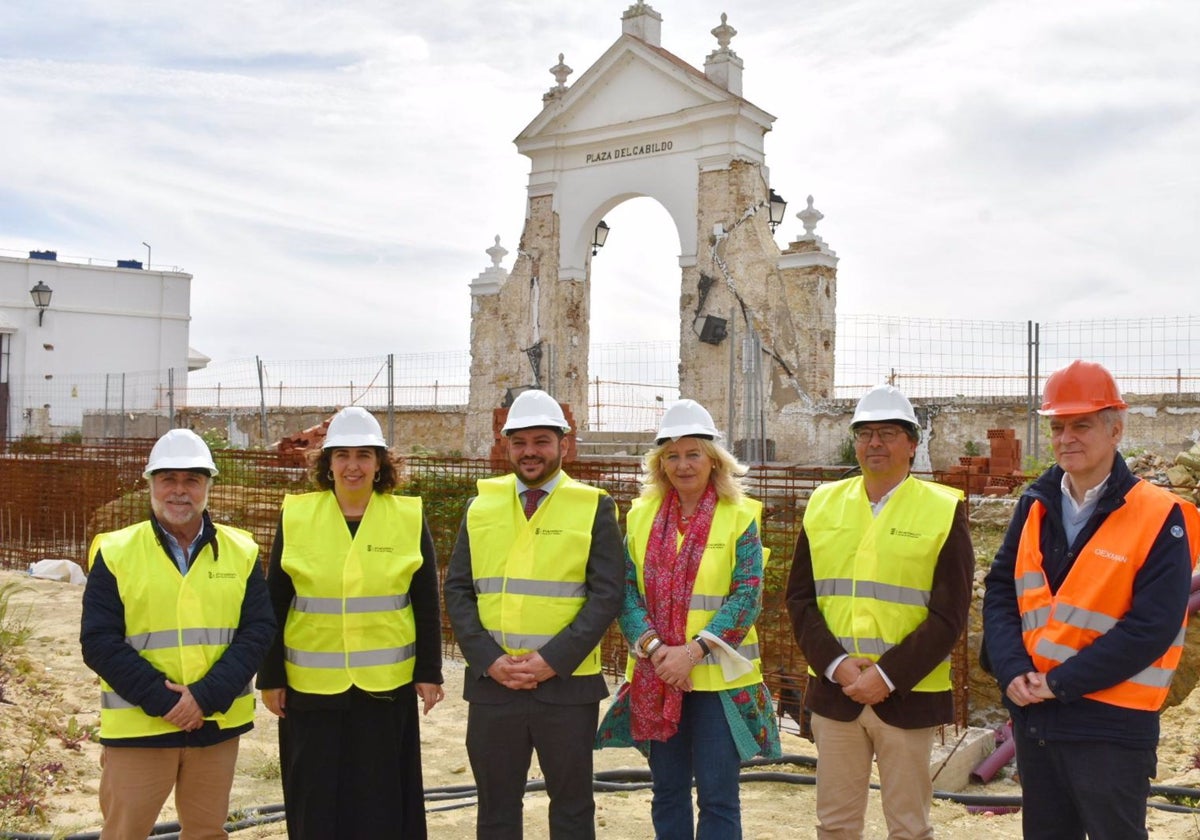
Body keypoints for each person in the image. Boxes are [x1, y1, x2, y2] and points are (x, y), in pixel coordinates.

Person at [982, 360, 1199, 840]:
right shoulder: (1034, 505)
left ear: (1115, 429)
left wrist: (1060, 682)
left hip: (1111, 727)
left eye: (1081, 424)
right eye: (1058, 426)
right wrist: (1011, 669)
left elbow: (1153, 627)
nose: (1066, 437)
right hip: (1038, 717)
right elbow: (1001, 590)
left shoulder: (1161, 517)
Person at [785, 384, 974, 840]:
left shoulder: (942, 509)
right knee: (835, 825)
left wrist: (885, 675)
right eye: (865, 433)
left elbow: (949, 615)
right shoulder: (824, 503)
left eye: (888, 433)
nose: (875, 443)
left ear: (912, 443)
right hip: (837, 694)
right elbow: (800, 599)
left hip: (907, 696)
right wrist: (837, 667)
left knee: (909, 827)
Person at [595, 398, 782, 839]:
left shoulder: (740, 517)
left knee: (718, 797)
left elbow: (747, 595)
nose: (683, 465)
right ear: (660, 465)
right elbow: (626, 592)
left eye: (693, 453)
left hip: (719, 682)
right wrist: (660, 651)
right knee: (668, 791)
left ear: (713, 459)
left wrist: (693, 651)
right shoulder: (641, 517)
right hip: (656, 675)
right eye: (672, 456)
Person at [255, 406, 444, 839]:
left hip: (385, 688)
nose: (352, 465)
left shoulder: (407, 516)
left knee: (381, 801)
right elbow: (276, 598)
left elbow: (424, 601)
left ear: (380, 464)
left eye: (364, 455)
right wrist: (270, 676)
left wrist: (429, 671)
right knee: (315, 801)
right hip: (311, 689)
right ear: (328, 463)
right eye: (342, 455)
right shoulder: (298, 515)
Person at [443, 389, 624, 839]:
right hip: (493, 685)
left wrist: (551, 660)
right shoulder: (480, 505)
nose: (530, 452)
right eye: (520, 442)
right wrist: (490, 659)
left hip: (565, 686)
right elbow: (459, 589)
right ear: (507, 446)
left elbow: (606, 594)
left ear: (564, 445)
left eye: (541, 441)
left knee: (572, 807)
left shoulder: (593, 506)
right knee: (497, 808)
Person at [80, 428, 275, 839]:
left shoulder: (242, 551)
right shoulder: (116, 551)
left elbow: (258, 631)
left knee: (206, 831)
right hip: (140, 725)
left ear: (208, 485)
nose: (180, 491)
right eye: (168, 479)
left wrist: (203, 697)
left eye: (192, 480)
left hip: (214, 723)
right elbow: (99, 641)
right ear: (151, 484)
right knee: (124, 832)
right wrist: (165, 702)